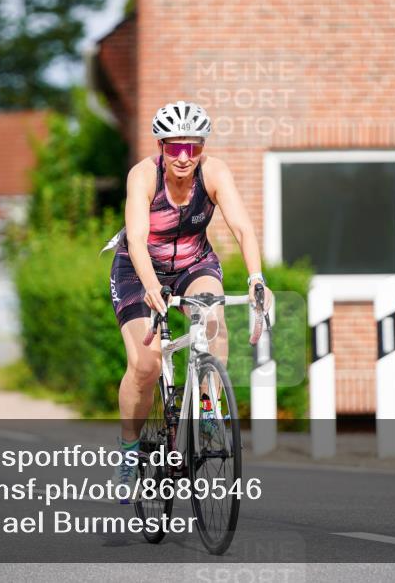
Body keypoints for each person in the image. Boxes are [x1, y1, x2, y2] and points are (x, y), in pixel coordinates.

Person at [103, 100, 273, 502]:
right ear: (161, 146)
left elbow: (244, 229)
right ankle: (129, 449)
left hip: (194, 263)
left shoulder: (213, 173)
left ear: (202, 148)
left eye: (192, 147)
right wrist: (149, 286)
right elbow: (139, 241)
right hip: (137, 268)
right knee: (145, 364)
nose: (183, 156)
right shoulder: (143, 176)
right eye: (174, 147)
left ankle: (210, 410)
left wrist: (256, 280)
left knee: (213, 323)